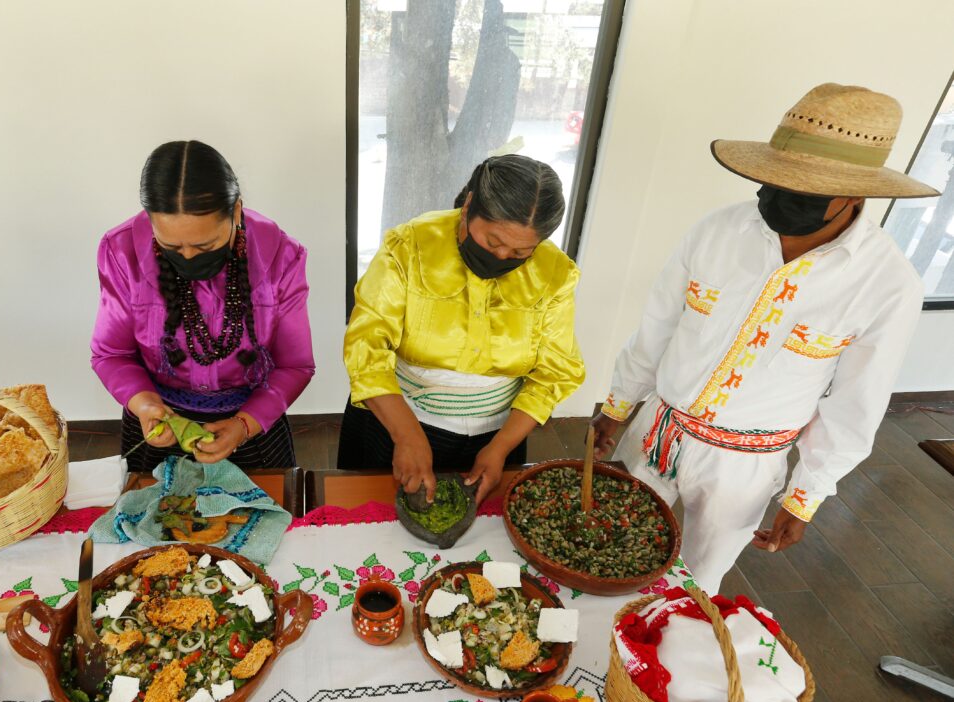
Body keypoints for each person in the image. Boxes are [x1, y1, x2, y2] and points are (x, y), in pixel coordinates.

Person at [591, 84, 940, 594]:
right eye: (769, 182)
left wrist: (806, 495)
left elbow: (855, 405)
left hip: (745, 465)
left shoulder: (887, 284)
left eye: (801, 193)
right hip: (658, 431)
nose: (773, 199)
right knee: (611, 551)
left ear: (856, 194)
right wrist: (619, 405)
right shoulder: (716, 232)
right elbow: (657, 327)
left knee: (696, 582)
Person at [340, 155, 585, 502]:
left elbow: (553, 373)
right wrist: (407, 436)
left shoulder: (555, 273)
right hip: (398, 422)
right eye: (493, 242)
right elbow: (366, 347)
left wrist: (500, 449)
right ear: (469, 205)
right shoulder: (411, 246)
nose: (502, 257)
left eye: (521, 251)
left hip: (499, 436)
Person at [91, 140, 315, 471]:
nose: (189, 257)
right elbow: (111, 354)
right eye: (170, 246)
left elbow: (295, 366)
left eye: (205, 245)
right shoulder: (121, 252)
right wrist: (146, 404)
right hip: (160, 427)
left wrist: (243, 426)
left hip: (252, 426)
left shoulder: (281, 256)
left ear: (236, 211)